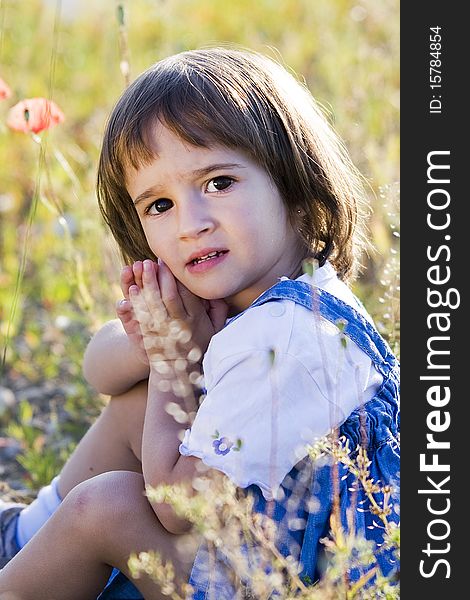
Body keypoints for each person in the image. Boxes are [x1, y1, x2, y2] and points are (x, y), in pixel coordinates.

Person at [0, 46, 399, 599]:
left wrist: (171, 364)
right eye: (159, 204)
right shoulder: (257, 286)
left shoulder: (283, 340)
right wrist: (155, 345)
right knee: (141, 404)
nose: (191, 224)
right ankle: (22, 537)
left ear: (297, 189)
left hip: (297, 583)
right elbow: (102, 370)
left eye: (218, 183)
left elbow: (176, 507)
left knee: (107, 507)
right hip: (259, 549)